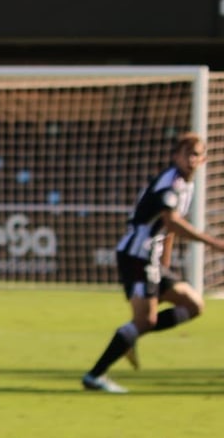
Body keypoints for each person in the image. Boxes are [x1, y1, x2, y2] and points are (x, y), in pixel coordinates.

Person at [82, 132, 224, 393]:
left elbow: (167, 227)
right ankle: (95, 375)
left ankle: (130, 334)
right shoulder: (170, 182)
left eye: (197, 155)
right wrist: (212, 242)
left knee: (193, 305)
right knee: (145, 320)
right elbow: (172, 221)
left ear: (203, 159)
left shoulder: (187, 185)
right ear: (176, 156)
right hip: (137, 255)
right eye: (188, 154)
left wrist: (166, 257)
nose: (192, 159)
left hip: (154, 258)